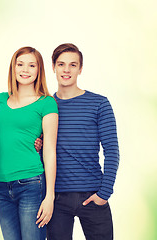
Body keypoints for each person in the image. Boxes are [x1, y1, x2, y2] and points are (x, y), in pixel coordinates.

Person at [46, 43, 120, 240]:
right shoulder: (45, 106)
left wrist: (104, 193)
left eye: (72, 65)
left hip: (93, 195)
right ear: (53, 67)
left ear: (80, 68)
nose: (66, 70)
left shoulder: (99, 104)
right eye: (61, 64)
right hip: (57, 198)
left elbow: (112, 151)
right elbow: (44, 151)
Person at [0, 46, 58, 240]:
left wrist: (50, 196)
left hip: (31, 183)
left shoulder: (46, 103)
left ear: (39, 70)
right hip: (2, 185)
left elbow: (49, 151)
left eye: (32, 65)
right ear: (13, 68)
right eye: (20, 64)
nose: (25, 70)